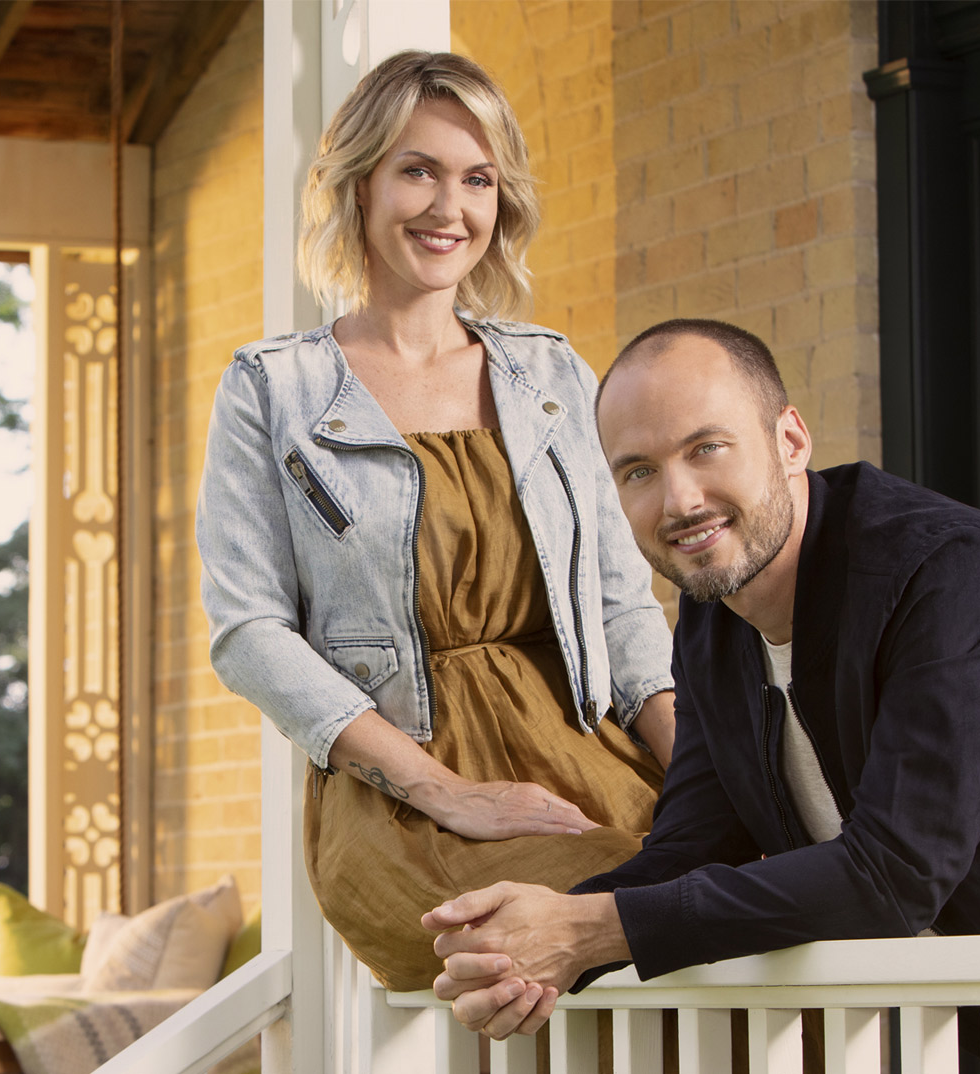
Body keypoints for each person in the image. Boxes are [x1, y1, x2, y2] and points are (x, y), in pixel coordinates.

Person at [424, 319, 980, 1066]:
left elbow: (897, 872)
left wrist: (596, 932)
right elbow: (687, 848)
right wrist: (530, 940)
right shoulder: (717, 622)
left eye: (706, 448)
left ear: (791, 439)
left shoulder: (947, 575)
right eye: (639, 471)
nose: (678, 499)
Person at [196, 52, 679, 991]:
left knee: (742, 900)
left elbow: (623, 606)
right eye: (417, 170)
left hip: (587, 758)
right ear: (361, 183)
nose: (447, 208)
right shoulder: (273, 389)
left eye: (478, 179)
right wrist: (449, 792)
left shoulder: (553, 375)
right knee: (585, 924)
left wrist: (704, 776)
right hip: (405, 797)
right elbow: (250, 632)